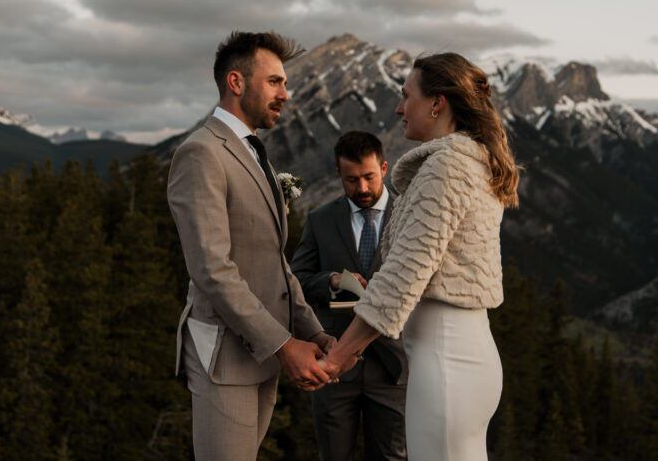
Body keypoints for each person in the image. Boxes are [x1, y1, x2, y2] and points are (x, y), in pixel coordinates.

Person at [319, 53, 519, 461]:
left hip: (445, 360)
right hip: (463, 353)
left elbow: (404, 274)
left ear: (437, 102)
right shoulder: (470, 161)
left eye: (405, 95)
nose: (398, 107)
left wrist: (339, 356)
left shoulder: (446, 166)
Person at [168, 31, 336, 461]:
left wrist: (311, 330)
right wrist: (285, 346)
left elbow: (274, 261)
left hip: (261, 354)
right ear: (236, 82)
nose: (286, 93)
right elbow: (212, 270)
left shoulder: (253, 152)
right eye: (275, 82)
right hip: (226, 357)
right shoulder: (201, 153)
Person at [291, 131, 408, 461]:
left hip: (394, 366)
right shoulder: (320, 220)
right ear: (338, 176)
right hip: (334, 369)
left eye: (369, 177)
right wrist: (329, 281)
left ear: (384, 168)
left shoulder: (411, 217)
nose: (363, 189)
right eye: (352, 180)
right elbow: (294, 282)